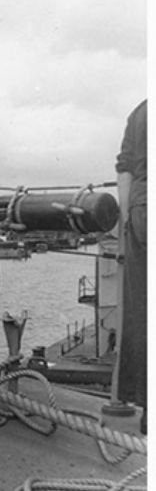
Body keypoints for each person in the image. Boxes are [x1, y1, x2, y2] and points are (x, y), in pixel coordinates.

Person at [115, 99, 147, 434]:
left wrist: (127, 218)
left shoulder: (140, 110)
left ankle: (147, 409)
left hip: (140, 207)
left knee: (142, 310)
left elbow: (124, 167)